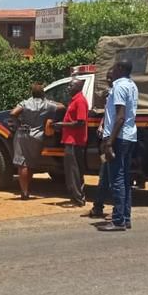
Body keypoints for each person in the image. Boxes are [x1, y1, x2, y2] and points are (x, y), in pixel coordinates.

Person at [99, 61, 139, 232]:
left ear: (121, 69)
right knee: (124, 180)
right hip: (130, 137)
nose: (112, 71)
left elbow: (120, 116)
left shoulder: (119, 87)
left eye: (114, 68)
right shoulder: (132, 85)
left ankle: (117, 220)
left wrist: (109, 142)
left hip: (119, 138)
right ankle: (125, 218)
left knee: (117, 180)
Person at [10, 83, 64, 200]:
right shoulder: (47, 105)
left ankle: (24, 192)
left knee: (22, 163)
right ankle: (28, 187)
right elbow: (62, 106)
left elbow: (13, 113)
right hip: (37, 136)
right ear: (43, 93)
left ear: (32, 93)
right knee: (30, 164)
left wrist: (18, 124)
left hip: (23, 133)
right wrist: (49, 101)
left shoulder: (25, 103)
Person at [55, 78, 89, 207]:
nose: (68, 87)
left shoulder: (80, 101)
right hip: (70, 140)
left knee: (74, 171)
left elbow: (80, 122)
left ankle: (78, 199)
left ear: (78, 87)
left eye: (71, 85)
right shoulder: (74, 100)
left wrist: (61, 124)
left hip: (75, 141)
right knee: (71, 170)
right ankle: (76, 197)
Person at [85, 74, 114, 220]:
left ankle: (113, 211)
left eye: (110, 77)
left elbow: (116, 119)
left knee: (110, 176)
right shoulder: (112, 97)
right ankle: (99, 206)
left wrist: (108, 142)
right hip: (107, 141)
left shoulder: (114, 95)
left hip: (111, 143)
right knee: (106, 176)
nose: (108, 80)